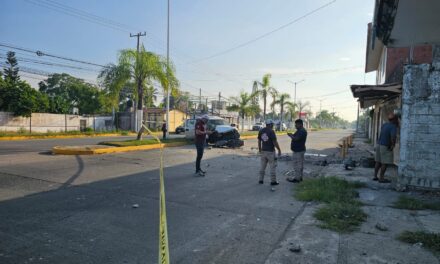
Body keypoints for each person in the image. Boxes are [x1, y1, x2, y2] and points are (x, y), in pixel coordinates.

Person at [374, 113, 398, 183]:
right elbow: (393, 137)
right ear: (394, 120)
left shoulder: (384, 125)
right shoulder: (393, 126)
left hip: (379, 144)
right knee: (385, 163)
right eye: (397, 119)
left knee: (378, 161)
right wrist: (393, 145)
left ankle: (375, 176)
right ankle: (381, 178)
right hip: (385, 146)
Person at [258, 119, 282, 185]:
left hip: (263, 151)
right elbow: (275, 142)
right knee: (272, 167)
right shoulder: (271, 131)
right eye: (272, 124)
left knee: (262, 167)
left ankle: (260, 180)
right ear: (270, 124)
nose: (273, 125)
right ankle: (273, 181)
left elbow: (259, 141)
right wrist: (279, 149)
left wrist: (260, 150)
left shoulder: (261, 131)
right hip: (270, 152)